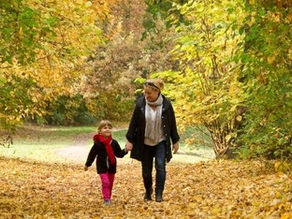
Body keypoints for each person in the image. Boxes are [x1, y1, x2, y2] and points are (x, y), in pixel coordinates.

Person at [125, 78, 180, 202]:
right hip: (145, 142)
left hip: (160, 141)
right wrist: (129, 140)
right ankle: (148, 191)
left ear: (157, 92)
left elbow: (172, 124)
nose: (146, 95)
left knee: (160, 166)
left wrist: (175, 140)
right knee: (146, 171)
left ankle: (159, 193)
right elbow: (133, 123)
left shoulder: (166, 105)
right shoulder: (140, 104)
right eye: (145, 93)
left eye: (149, 93)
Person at [84, 120, 129, 205]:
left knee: (110, 183)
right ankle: (107, 199)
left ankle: (108, 196)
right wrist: (87, 164)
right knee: (106, 182)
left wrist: (126, 150)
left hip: (112, 166)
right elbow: (92, 155)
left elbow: (119, 154)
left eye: (109, 128)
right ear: (100, 131)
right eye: (105, 128)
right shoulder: (97, 144)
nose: (107, 129)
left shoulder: (114, 143)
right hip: (102, 167)